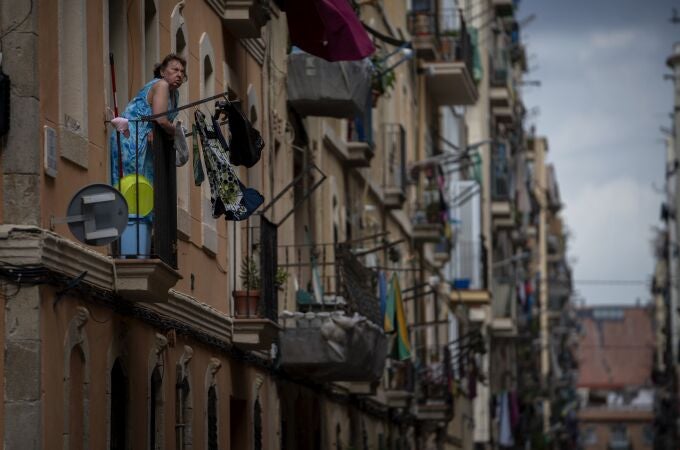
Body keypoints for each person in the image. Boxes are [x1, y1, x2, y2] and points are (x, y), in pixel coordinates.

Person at [110, 53, 187, 188]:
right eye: (175, 70)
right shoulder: (162, 85)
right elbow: (161, 119)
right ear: (162, 72)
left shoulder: (175, 94)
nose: (179, 74)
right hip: (132, 139)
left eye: (182, 71)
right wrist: (177, 132)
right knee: (132, 188)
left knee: (145, 190)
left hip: (146, 142)